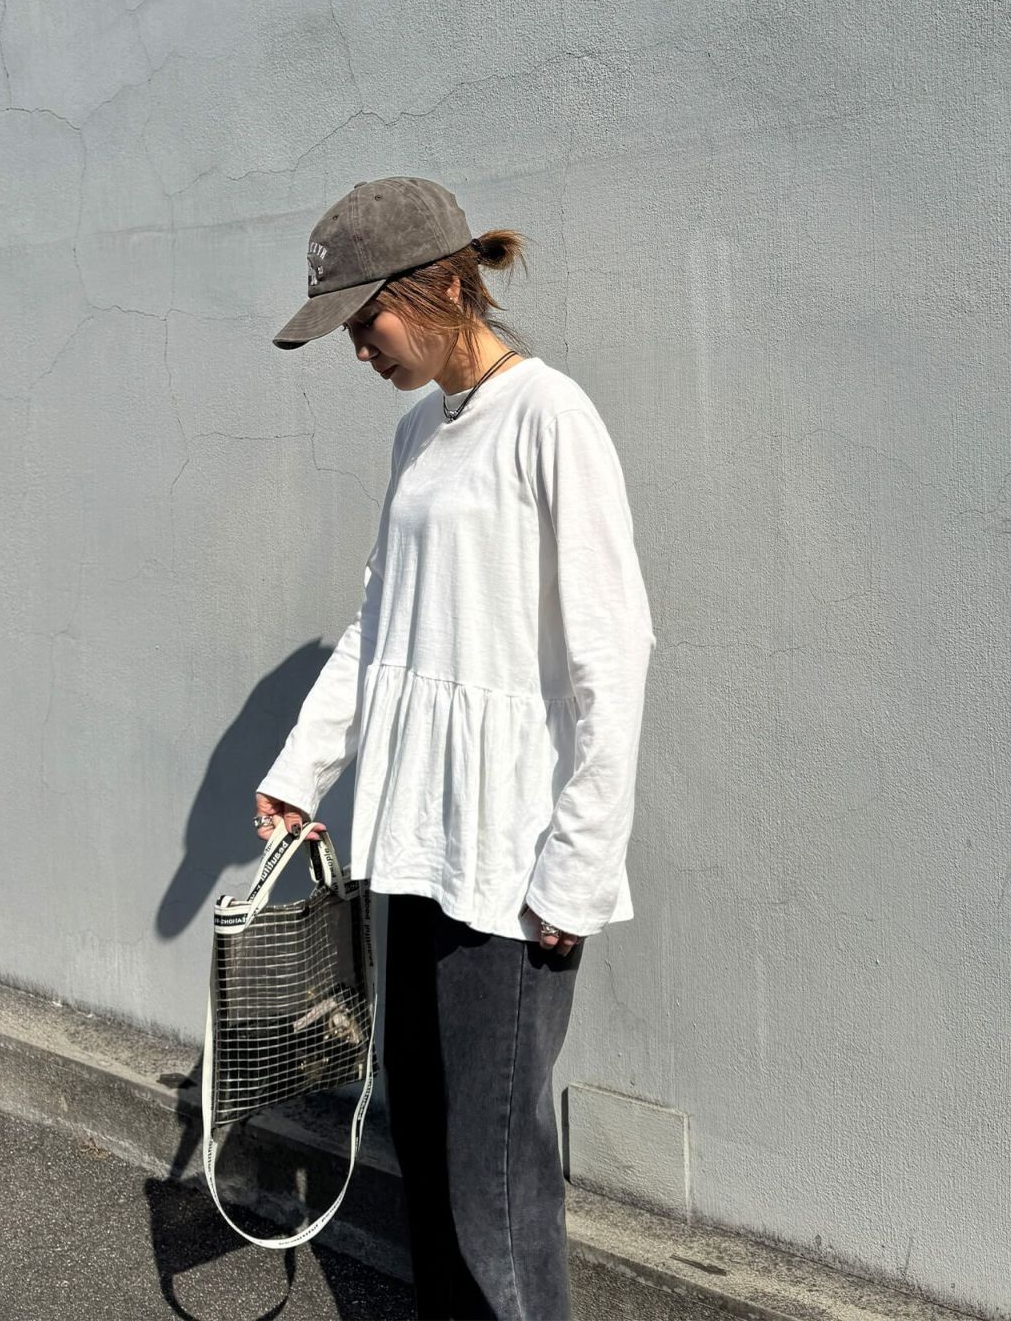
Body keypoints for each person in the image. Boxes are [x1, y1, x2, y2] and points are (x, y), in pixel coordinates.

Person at [251, 176, 657, 1320]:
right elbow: (379, 624)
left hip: (511, 864)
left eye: (364, 320)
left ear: (440, 286)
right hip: (420, 842)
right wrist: (300, 770)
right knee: (428, 1150)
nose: (358, 350)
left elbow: (613, 655)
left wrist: (577, 868)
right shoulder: (417, 434)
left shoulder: (550, 417)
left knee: (496, 1186)